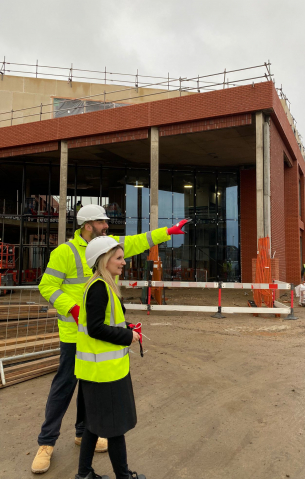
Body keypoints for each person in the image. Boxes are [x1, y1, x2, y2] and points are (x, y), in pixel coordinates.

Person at [32, 203, 190, 474]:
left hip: (96, 336)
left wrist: (168, 231)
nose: (107, 226)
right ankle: (46, 443)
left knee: (90, 389)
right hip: (74, 333)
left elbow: (139, 240)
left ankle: (84, 432)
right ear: (87, 225)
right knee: (65, 386)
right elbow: (47, 285)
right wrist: (73, 308)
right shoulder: (65, 253)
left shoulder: (106, 245)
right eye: (101, 223)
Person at [76, 221, 190, 479]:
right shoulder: (99, 288)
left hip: (96, 371)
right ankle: (124, 476)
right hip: (105, 373)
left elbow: (105, 322)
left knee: (93, 426)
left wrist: (126, 326)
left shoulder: (101, 286)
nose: (123, 262)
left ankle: (84, 475)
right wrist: (128, 335)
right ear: (104, 260)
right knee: (115, 429)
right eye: (118, 258)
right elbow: (95, 329)